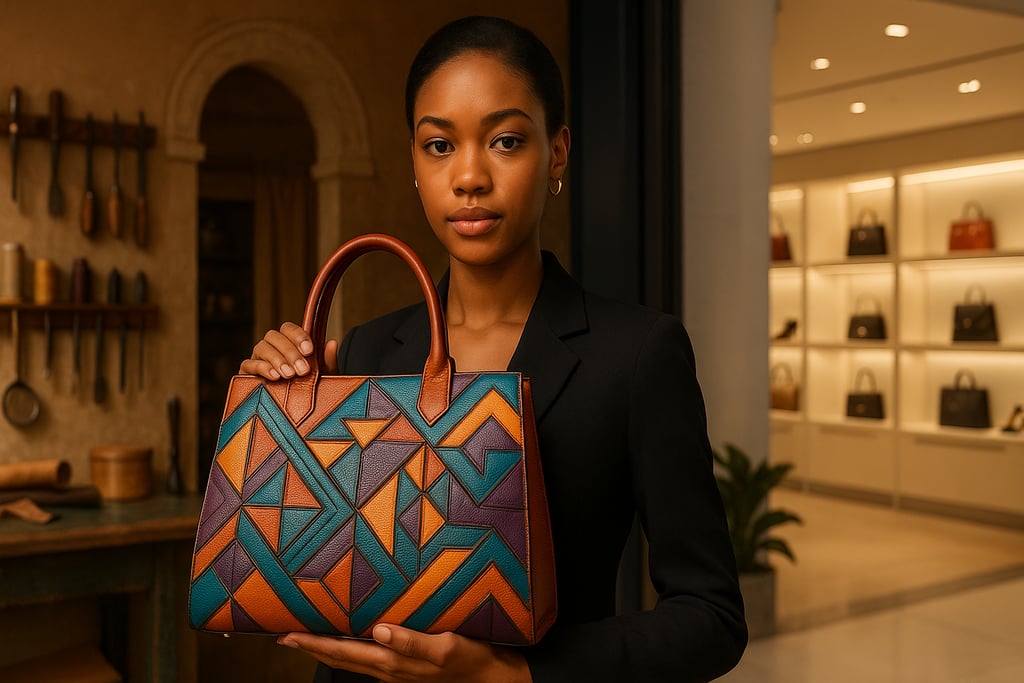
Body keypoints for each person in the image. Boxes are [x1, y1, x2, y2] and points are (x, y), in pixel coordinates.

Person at [241, 15, 747, 683]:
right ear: (416, 164)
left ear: (558, 152)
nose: (470, 175)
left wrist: (511, 677)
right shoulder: (367, 348)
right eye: (439, 145)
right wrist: (273, 404)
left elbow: (712, 617)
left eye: (505, 140)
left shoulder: (638, 354)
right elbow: (333, 577)